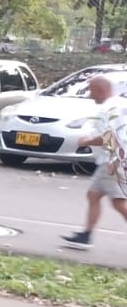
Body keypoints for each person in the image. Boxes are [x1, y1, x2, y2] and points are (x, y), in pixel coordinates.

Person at [61, 75, 127, 247]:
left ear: (101, 90)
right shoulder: (119, 104)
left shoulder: (107, 109)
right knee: (94, 195)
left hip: (114, 160)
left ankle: (86, 236)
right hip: (113, 159)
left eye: (91, 91)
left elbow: (110, 138)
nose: (90, 95)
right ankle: (86, 236)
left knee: (119, 203)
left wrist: (87, 142)